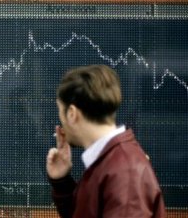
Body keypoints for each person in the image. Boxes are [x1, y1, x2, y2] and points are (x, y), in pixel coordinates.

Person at [46, 64, 166, 218]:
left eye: (60, 111)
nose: (60, 121)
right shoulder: (112, 162)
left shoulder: (123, 171)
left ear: (72, 114)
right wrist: (62, 183)